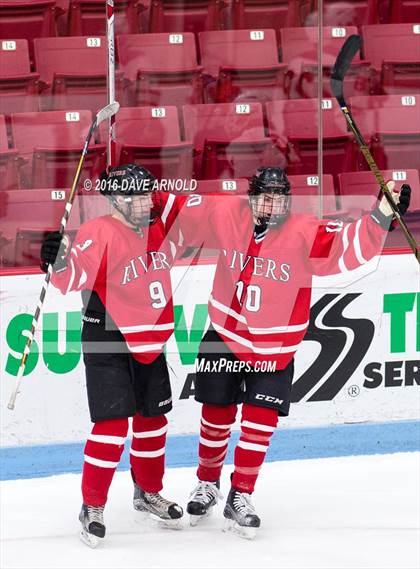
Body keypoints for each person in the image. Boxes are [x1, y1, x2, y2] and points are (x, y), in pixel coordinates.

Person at [181, 167, 411, 539]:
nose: (273, 204)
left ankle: (241, 493)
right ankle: (207, 483)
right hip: (224, 335)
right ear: (251, 196)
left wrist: (382, 214)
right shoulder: (226, 214)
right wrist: (136, 193)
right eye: (265, 196)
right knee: (215, 416)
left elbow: (347, 245)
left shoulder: (304, 230)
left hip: (274, 346)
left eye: (280, 197)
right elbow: (176, 210)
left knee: (260, 423)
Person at [40, 164, 184, 548]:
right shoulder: (99, 231)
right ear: (116, 200)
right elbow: (73, 279)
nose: (144, 201)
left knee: (153, 422)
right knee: (112, 426)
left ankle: (148, 492)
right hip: (108, 338)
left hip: (150, 341)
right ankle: (92, 506)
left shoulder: (162, 226)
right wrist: (57, 261)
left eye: (146, 194)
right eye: (135, 196)